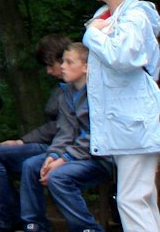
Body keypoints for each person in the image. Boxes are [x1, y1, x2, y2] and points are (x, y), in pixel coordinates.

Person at [82, 0, 160, 232]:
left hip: (134, 123)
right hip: (126, 123)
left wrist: (92, 34)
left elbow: (124, 57)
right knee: (139, 198)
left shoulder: (134, 17)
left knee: (132, 199)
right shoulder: (108, 16)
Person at [0, 34, 73, 232]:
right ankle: (5, 221)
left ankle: (23, 223)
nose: (49, 71)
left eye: (51, 65)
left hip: (66, 147)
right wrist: (23, 141)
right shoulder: (64, 86)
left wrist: (24, 141)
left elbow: (63, 126)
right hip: (52, 143)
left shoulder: (79, 86)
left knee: (23, 163)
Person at [19, 42, 108, 232]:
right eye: (63, 62)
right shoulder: (66, 92)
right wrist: (53, 156)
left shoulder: (100, 91)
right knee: (31, 166)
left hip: (101, 157)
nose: (63, 67)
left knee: (58, 177)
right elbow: (65, 132)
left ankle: (87, 228)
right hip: (76, 155)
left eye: (69, 62)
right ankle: (34, 225)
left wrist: (64, 159)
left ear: (85, 67)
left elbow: (96, 135)